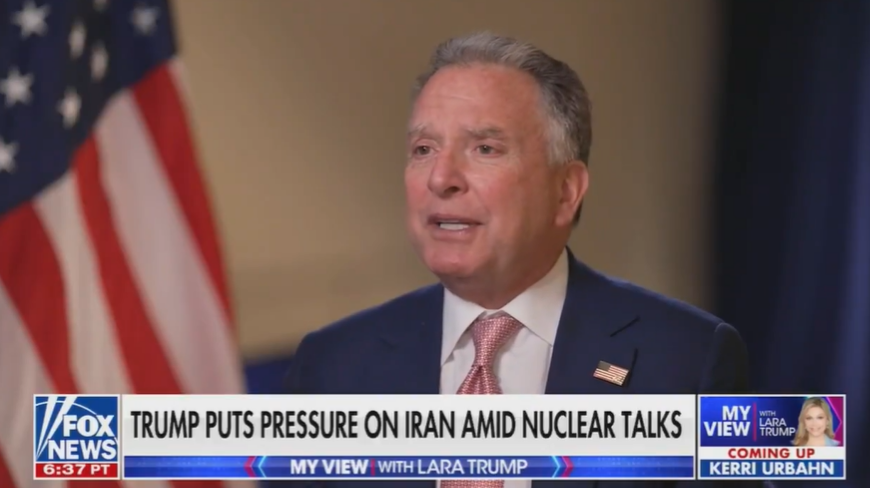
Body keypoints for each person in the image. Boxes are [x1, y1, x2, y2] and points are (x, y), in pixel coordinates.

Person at [285, 32, 766, 487]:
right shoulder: (330, 365)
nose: (440, 178)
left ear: (566, 191)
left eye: (485, 148)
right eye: (424, 149)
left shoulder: (690, 359)